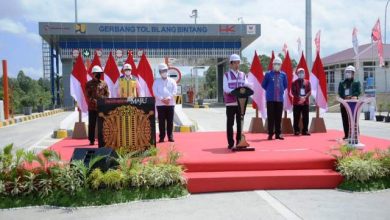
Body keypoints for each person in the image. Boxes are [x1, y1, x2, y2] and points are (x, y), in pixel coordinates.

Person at [223, 54, 251, 149]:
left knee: (240, 122)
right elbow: (226, 88)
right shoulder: (226, 75)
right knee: (230, 123)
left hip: (241, 103)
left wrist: (251, 85)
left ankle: (239, 141)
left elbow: (246, 84)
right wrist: (235, 92)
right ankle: (230, 143)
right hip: (230, 103)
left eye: (238, 62)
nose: (236, 64)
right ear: (230, 64)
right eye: (234, 63)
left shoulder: (243, 74)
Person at [261, 57, 288, 140]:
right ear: (272, 65)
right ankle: (270, 134)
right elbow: (263, 85)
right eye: (275, 64)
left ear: (281, 65)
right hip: (270, 99)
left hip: (279, 99)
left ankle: (278, 134)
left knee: (278, 117)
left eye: (278, 64)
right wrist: (270, 91)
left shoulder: (283, 74)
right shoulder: (268, 74)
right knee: (271, 117)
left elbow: (285, 85)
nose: (277, 65)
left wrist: (279, 90)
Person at [153, 63, 177, 143]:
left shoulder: (172, 81)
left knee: (170, 121)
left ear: (167, 71)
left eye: (165, 70)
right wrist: (162, 99)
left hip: (170, 104)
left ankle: (170, 136)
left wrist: (168, 98)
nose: (164, 72)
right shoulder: (156, 81)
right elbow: (155, 91)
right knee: (161, 121)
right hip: (160, 104)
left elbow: (174, 91)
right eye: (162, 71)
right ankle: (161, 137)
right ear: (160, 72)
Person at [85, 65, 109, 145]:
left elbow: (107, 94)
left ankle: (102, 140)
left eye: (100, 73)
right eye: (97, 73)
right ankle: (91, 140)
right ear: (93, 74)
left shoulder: (104, 83)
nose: (99, 75)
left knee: (102, 124)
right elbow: (87, 95)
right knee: (92, 124)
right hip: (92, 107)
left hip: (101, 107)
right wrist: (94, 101)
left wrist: (103, 100)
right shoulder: (89, 84)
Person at [338, 65, 361, 139]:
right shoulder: (342, 83)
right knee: (345, 119)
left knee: (354, 119)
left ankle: (355, 134)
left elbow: (358, 91)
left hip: (353, 104)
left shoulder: (357, 82)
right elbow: (340, 92)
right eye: (347, 72)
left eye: (350, 72)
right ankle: (347, 135)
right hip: (344, 104)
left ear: (353, 73)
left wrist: (352, 96)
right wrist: (345, 97)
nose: (348, 73)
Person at [291, 68, 311, 136]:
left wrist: (304, 97)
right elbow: (293, 92)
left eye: (302, 72)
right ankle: (296, 130)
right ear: (297, 74)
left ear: (304, 74)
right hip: (297, 103)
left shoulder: (307, 82)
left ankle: (305, 130)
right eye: (299, 72)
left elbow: (309, 91)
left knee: (306, 117)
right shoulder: (294, 82)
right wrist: (300, 98)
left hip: (305, 102)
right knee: (296, 117)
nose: (301, 74)